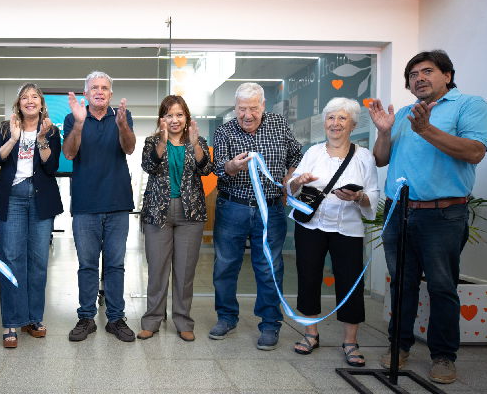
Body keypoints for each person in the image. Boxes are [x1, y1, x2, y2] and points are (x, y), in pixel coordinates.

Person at [369, 50, 487, 384]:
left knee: (441, 286)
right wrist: (383, 131)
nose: (419, 78)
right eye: (413, 74)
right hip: (399, 213)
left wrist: (426, 130)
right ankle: (400, 345)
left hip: (443, 214)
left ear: (447, 76)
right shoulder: (407, 113)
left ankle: (443, 356)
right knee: (402, 284)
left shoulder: (469, 105)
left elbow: (475, 151)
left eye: (427, 71)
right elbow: (381, 160)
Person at [286, 97, 379, 366]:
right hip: (310, 226)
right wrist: (298, 180)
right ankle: (310, 334)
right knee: (309, 278)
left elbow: (373, 193)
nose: (334, 123)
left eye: (341, 118)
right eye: (330, 118)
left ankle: (350, 342)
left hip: (348, 228)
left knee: (351, 282)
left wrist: (357, 197)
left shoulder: (364, 157)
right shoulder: (313, 152)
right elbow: (291, 189)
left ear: (352, 124)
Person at [211, 82, 303, 350]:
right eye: (241, 109)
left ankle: (270, 324)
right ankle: (227, 317)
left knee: (269, 267)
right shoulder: (224, 131)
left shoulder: (279, 125)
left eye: (253, 108)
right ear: (235, 108)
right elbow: (217, 168)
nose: (247, 115)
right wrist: (232, 166)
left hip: (271, 209)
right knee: (225, 265)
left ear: (263, 106)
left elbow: (297, 154)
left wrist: (288, 178)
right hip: (232, 207)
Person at [63, 71, 136, 342]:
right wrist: (80, 124)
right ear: (86, 94)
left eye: (104, 88)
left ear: (111, 94)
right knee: (87, 265)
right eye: (94, 87)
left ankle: (116, 319)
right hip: (85, 205)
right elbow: (69, 153)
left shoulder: (122, 116)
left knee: (115, 265)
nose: (99, 91)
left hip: (117, 204)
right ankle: (86, 318)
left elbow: (129, 149)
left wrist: (122, 125)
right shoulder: (73, 118)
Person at [0, 83, 63, 348]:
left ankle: (33, 318)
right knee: (11, 260)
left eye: (34, 97)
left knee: (39, 261)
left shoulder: (51, 130)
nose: (29, 101)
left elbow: (52, 166)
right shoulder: (5, 128)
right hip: (13, 199)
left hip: (41, 199)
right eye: (24, 97)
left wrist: (42, 138)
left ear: (42, 104)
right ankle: (11, 320)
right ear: (18, 104)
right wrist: (12, 139)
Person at [138, 95, 213, 342]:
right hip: (157, 211)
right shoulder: (151, 141)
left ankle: (183, 321)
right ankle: (152, 320)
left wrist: (195, 145)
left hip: (190, 213)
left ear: (186, 118)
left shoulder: (197, 141)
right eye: (169, 114)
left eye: (179, 114)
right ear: (162, 119)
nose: (174, 119)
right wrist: (161, 142)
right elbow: (149, 166)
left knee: (184, 271)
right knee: (157, 271)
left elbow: (205, 169)